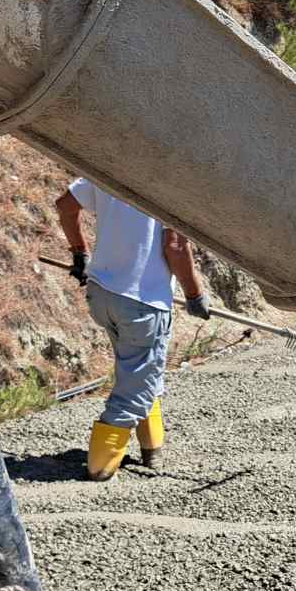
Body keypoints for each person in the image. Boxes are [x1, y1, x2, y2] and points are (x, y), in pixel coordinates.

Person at [54, 178, 211, 480]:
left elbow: (65, 206)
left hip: (102, 294)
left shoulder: (106, 168)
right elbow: (175, 246)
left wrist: (79, 252)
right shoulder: (169, 183)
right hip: (142, 302)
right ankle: (100, 468)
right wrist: (194, 294)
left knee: (138, 372)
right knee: (135, 383)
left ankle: (152, 450)